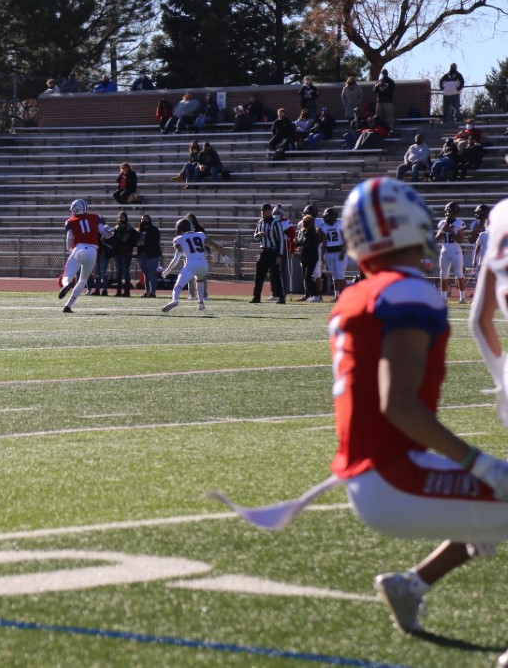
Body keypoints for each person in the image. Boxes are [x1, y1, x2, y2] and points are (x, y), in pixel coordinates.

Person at [214, 179, 508, 655]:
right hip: (394, 475)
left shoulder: (357, 295)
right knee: (497, 488)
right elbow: (398, 404)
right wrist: (481, 463)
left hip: (371, 475)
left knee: (494, 508)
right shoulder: (409, 292)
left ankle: (412, 584)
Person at [59, 198, 110, 313]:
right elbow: (106, 235)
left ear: (75, 209)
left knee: (67, 275)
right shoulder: (96, 217)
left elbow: (69, 243)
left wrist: (73, 252)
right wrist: (110, 232)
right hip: (93, 251)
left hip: (79, 248)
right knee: (83, 280)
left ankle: (67, 284)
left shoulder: (71, 221)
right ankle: (68, 305)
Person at [160, 218, 211, 313]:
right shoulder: (200, 234)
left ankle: (174, 300)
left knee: (177, 286)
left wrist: (167, 270)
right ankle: (200, 303)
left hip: (191, 264)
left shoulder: (179, 239)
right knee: (199, 279)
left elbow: (176, 259)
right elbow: (210, 244)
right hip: (203, 264)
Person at [251, 203, 286, 304]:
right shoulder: (260, 222)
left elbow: (281, 240)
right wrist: (258, 235)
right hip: (263, 252)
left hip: (273, 252)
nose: (263, 213)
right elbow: (255, 234)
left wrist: (279, 255)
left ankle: (281, 297)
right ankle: (256, 297)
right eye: (262, 211)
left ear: (270, 211)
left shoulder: (275, 223)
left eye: (265, 211)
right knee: (258, 275)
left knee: (275, 275)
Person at [435, 201, 467, 303]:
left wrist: (452, 231)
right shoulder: (442, 223)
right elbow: (436, 238)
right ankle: (443, 298)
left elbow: (460, 240)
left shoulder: (459, 223)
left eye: (450, 211)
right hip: (445, 250)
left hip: (455, 250)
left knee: (459, 273)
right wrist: (444, 229)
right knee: (443, 274)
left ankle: (462, 298)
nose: (448, 213)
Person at [319, 207, 348, 300]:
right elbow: (324, 242)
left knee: (341, 275)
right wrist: (322, 255)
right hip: (329, 252)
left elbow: (346, 240)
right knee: (334, 275)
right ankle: (337, 296)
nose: (326, 218)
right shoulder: (324, 226)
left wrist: (343, 252)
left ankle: (346, 296)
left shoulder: (340, 224)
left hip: (339, 251)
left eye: (327, 216)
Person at [294, 214, 323, 302]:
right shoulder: (302, 232)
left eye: (306, 221)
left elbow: (314, 246)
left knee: (308, 277)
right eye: (304, 221)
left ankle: (316, 295)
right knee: (305, 277)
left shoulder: (313, 233)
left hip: (312, 257)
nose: (304, 223)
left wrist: (304, 248)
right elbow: (301, 243)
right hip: (304, 257)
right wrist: (296, 243)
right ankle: (311, 295)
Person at [109, 211, 138, 297]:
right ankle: (118, 291)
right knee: (118, 272)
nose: (121, 219)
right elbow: (113, 240)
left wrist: (129, 245)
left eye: (122, 217)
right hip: (118, 253)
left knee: (125, 272)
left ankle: (127, 291)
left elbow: (135, 239)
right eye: (120, 217)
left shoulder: (130, 229)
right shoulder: (116, 228)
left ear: (126, 218)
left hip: (126, 253)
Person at [135, 214, 162, 298]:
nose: (144, 221)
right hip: (142, 253)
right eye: (142, 219)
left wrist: (144, 242)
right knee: (145, 273)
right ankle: (147, 291)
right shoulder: (139, 231)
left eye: (146, 219)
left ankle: (152, 292)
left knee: (151, 273)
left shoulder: (154, 230)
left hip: (152, 253)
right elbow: (135, 240)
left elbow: (155, 240)